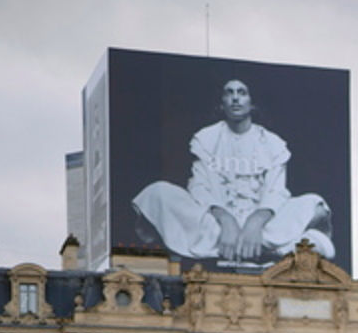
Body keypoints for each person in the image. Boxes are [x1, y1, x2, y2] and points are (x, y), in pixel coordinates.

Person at [132, 78, 334, 266]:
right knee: (157, 193)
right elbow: (199, 187)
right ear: (221, 103)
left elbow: (276, 192)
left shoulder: (273, 143)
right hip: (215, 225)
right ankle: (269, 250)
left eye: (242, 92)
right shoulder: (206, 138)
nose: (235, 98)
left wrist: (254, 223)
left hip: (263, 227)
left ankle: (252, 246)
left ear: (253, 103)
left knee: (315, 204)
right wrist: (226, 220)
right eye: (229, 93)